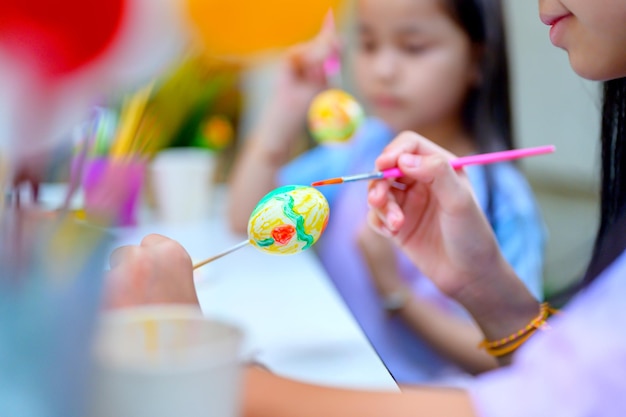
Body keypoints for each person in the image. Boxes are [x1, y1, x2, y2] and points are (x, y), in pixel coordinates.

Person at [228, 0, 545, 383]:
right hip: (334, 386)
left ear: (478, 60)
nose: (383, 70)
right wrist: (286, 108)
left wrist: (394, 292)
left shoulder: (501, 198)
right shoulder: (359, 148)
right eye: (368, 44)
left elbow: (520, 351)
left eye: (413, 47)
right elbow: (246, 219)